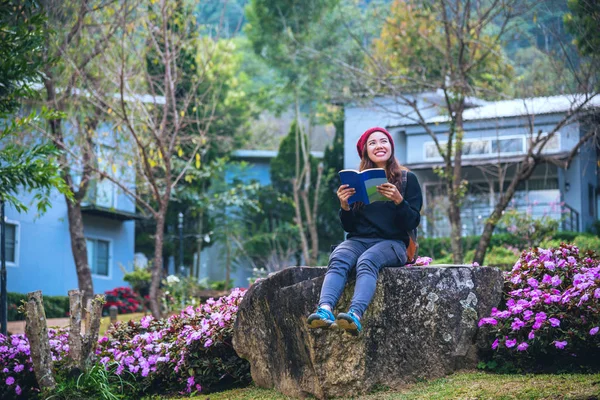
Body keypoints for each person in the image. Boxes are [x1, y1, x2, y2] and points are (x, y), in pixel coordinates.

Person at [306, 127, 423, 334]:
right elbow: (350, 227)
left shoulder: (407, 179)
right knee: (339, 256)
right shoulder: (356, 181)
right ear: (365, 152)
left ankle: (354, 315)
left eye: (383, 141)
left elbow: (412, 221)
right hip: (359, 240)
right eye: (372, 143)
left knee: (367, 260)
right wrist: (344, 206)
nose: (379, 146)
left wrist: (398, 200)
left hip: (393, 243)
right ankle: (324, 310)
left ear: (391, 147)